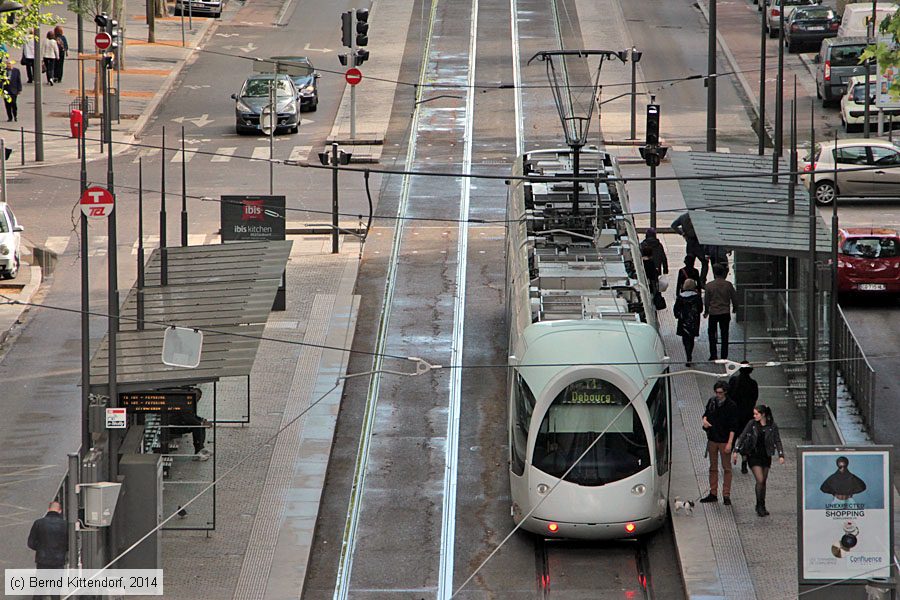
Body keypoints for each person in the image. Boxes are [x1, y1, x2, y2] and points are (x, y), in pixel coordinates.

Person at [732, 404, 785, 517]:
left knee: (763, 482)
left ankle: (761, 504)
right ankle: (760, 505)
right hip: (754, 455)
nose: (754, 416)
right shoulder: (752, 424)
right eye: (754, 413)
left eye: (757, 414)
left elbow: (777, 440)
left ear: (763, 415)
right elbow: (742, 436)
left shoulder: (772, 426)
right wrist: (736, 450)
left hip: (766, 456)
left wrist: (781, 454)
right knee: (760, 479)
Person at [700, 381, 738, 505]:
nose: (718, 395)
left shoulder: (731, 406)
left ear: (725, 392)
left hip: (724, 440)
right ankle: (713, 492)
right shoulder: (712, 402)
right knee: (713, 467)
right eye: (716, 392)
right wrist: (705, 420)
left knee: (726, 468)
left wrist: (730, 443)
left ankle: (726, 494)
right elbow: (705, 414)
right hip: (712, 438)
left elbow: (733, 426)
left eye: (720, 393)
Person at [27, 500, 68, 598]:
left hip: (43, 560)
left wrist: (41, 548)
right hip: (58, 561)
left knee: (39, 589)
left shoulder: (38, 523)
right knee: (55, 591)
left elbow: (30, 543)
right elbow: (69, 543)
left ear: (48, 509)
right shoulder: (65, 525)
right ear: (60, 511)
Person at [728, 361, 759, 474]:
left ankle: (727, 462)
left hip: (734, 416)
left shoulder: (733, 381)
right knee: (745, 439)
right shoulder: (753, 384)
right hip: (747, 416)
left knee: (731, 438)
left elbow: (729, 396)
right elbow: (755, 398)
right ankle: (744, 463)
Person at [703, 263, 738, 361]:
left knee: (712, 334)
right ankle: (724, 355)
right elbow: (734, 298)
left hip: (713, 313)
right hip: (725, 312)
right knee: (724, 334)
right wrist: (735, 308)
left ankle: (713, 354)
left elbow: (706, 301)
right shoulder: (728, 285)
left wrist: (706, 311)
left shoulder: (709, 286)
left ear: (714, 273)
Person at [671, 212, 708, 286]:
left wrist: (682, 233)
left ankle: (689, 279)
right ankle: (702, 281)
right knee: (704, 262)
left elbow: (673, 225)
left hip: (690, 242)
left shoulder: (683, 217)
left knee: (690, 262)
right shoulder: (699, 217)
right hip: (699, 243)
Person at [673, 278, 702, 365]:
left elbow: (676, 309)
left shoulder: (680, 297)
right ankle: (690, 354)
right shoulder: (697, 297)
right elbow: (700, 309)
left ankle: (687, 354)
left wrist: (678, 315)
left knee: (685, 338)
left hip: (683, 321)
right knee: (691, 338)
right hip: (693, 321)